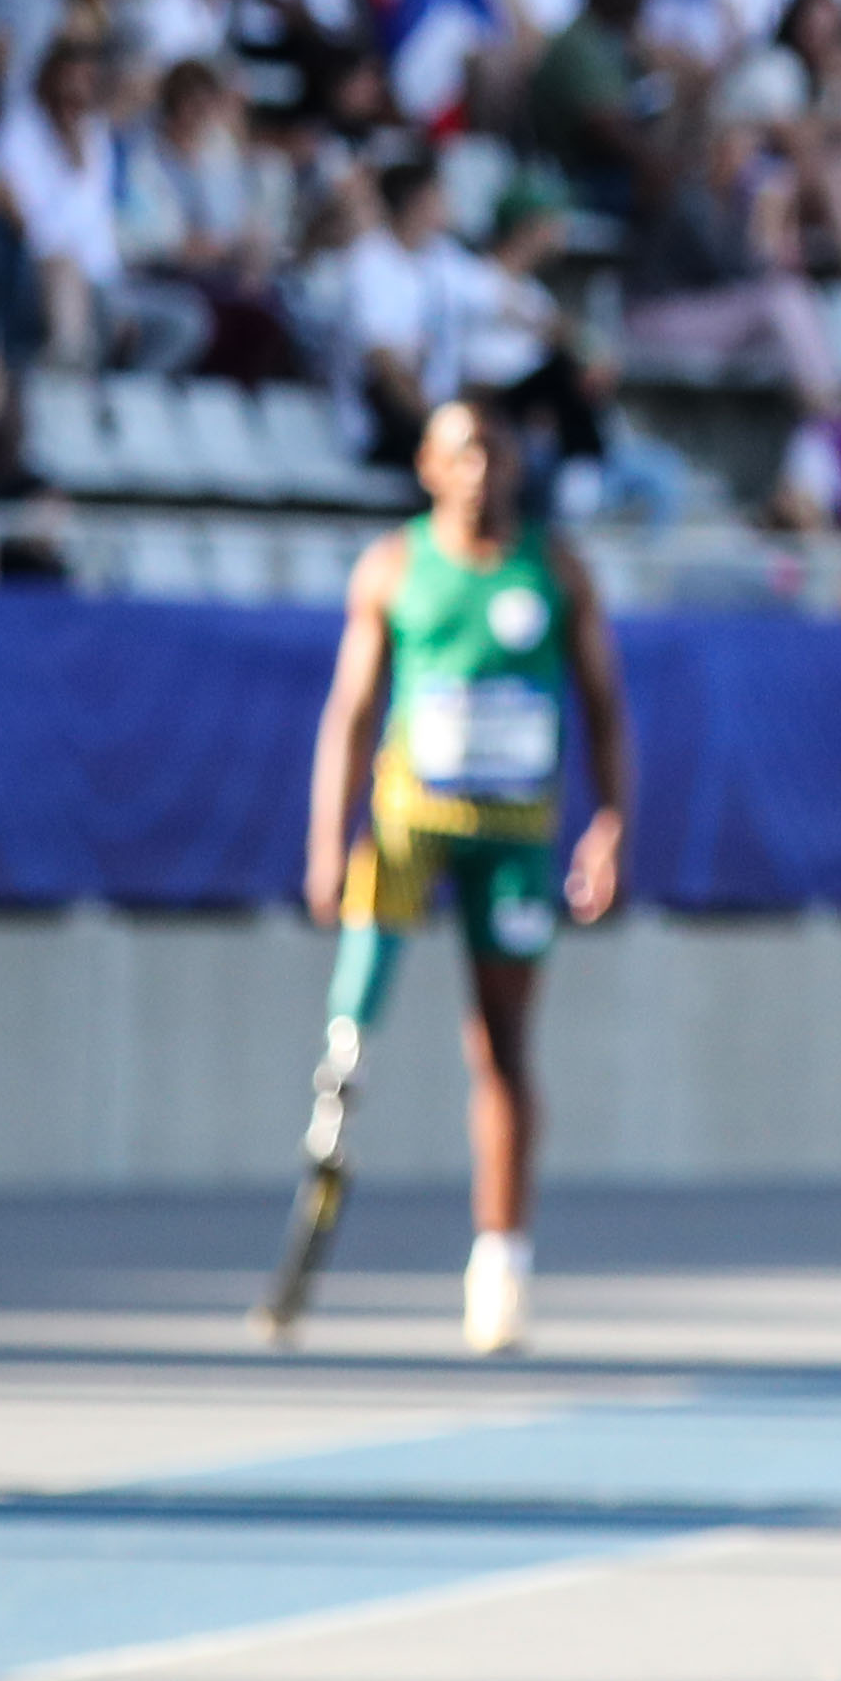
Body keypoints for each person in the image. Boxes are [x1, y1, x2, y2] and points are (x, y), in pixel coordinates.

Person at [286, 392, 634, 1354]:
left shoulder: (555, 569)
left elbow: (606, 707)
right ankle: (335, 1102)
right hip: (408, 830)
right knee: (355, 1015)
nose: (479, 469)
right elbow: (351, 710)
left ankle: (501, 1259)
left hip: (516, 837)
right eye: (459, 453)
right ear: (430, 469)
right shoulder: (395, 567)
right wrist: (329, 838)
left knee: (504, 1047)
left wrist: (607, 826)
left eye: (493, 450)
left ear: (517, 463)